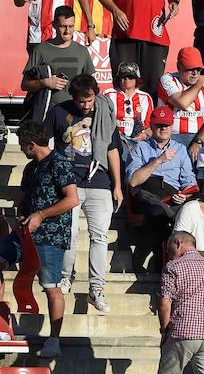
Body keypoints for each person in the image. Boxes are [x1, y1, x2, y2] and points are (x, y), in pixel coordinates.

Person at [43, 74, 124, 313]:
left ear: (95, 95)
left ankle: (96, 288)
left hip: (99, 180)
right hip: (69, 183)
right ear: (73, 97)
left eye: (89, 100)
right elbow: (44, 142)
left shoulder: (104, 112)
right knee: (69, 232)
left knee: (99, 237)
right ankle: (66, 277)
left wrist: (117, 185)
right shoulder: (59, 112)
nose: (86, 106)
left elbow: (112, 150)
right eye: (81, 101)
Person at [0, 121, 79, 358]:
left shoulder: (60, 163)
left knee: (50, 287)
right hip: (24, 233)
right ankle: (1, 324)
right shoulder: (31, 168)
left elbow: (72, 199)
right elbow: (24, 197)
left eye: (23, 145)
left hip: (50, 236)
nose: (22, 149)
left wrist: (41, 215)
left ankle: (54, 339)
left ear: (31, 144)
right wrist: (22, 215)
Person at [125, 106, 197, 251]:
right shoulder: (140, 148)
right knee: (152, 202)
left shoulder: (181, 149)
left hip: (171, 195)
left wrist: (185, 195)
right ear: (151, 126)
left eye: (166, 125)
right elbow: (133, 181)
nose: (163, 129)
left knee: (162, 211)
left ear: (172, 126)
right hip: (147, 192)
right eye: (159, 125)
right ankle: (171, 216)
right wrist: (158, 160)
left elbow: (190, 182)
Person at [158, 231, 204, 374]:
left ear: (178, 244)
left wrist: (164, 330)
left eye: (169, 250)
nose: (169, 254)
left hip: (183, 331)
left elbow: (165, 303)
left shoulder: (173, 267)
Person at [21, 5, 95, 119]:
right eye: (63, 26)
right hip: (46, 113)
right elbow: (25, 84)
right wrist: (45, 83)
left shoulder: (82, 51)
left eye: (71, 26)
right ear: (54, 25)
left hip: (75, 115)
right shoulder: (40, 50)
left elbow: (91, 87)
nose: (67, 31)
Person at [158, 46, 204, 159]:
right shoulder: (168, 80)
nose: (195, 73)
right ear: (179, 66)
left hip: (200, 135)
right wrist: (198, 85)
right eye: (190, 69)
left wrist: (199, 141)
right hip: (174, 135)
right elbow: (182, 103)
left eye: (198, 69)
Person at [103, 62, 154, 147]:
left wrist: (144, 136)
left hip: (139, 142)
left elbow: (150, 126)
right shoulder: (109, 95)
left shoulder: (145, 97)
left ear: (137, 79)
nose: (127, 79)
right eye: (123, 77)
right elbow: (103, 122)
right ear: (118, 78)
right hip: (114, 141)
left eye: (130, 77)